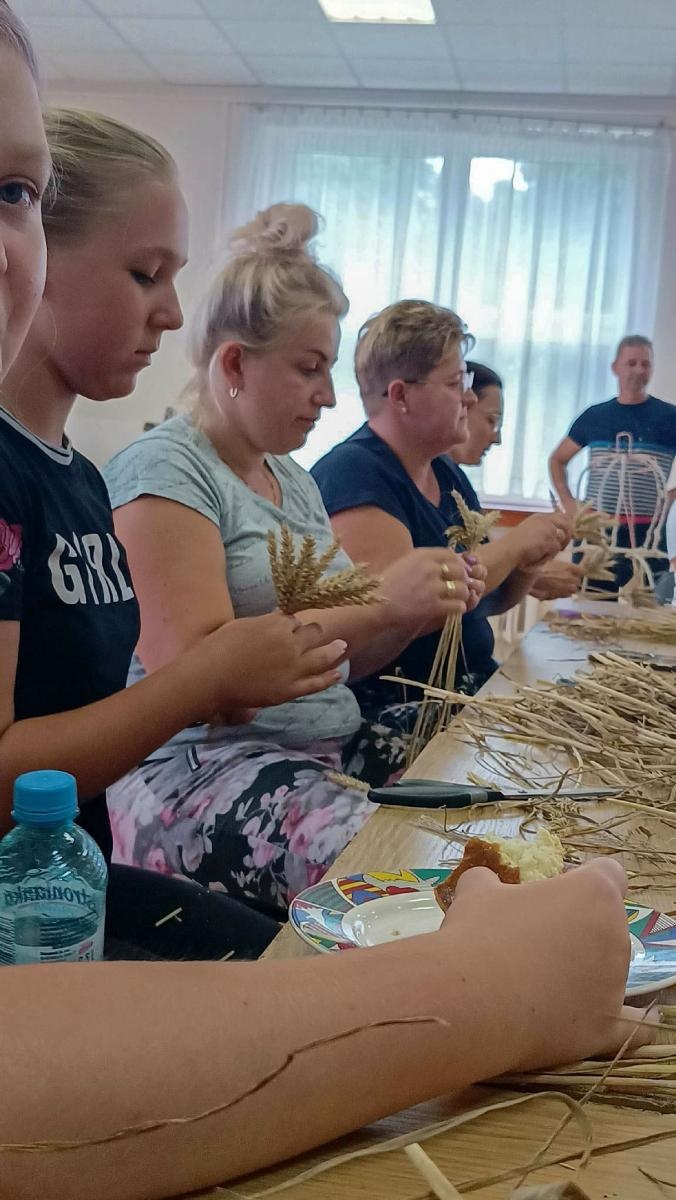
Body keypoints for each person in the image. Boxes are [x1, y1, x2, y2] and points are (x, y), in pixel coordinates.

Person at [0, 11, 655, 1195]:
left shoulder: (142, 479)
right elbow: (207, 667)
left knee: (413, 886)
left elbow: (322, 642)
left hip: (135, 831)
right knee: (390, 895)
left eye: (17, 198)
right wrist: (393, 601)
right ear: (239, 368)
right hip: (189, 787)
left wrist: (426, 593)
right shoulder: (152, 474)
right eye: (309, 366)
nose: (165, 310)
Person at [0, 109, 350, 872]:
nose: (173, 312)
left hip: (77, 875)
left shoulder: (83, 482)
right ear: (36, 258)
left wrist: (228, 684)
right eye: (143, 274)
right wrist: (202, 679)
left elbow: (113, 708)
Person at [104, 206, 483, 909]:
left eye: (330, 369)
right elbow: (203, 681)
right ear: (234, 364)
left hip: (316, 753)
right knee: (410, 877)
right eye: (310, 369)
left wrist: (408, 614)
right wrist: (378, 600)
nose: (330, 396)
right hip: (195, 773)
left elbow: (338, 665)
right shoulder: (167, 471)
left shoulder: (295, 480)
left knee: (485, 783)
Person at [311, 301, 572, 725]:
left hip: (464, 695)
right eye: (455, 382)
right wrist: (514, 545)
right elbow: (383, 636)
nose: (469, 396)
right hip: (400, 713)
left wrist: (528, 562)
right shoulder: (356, 476)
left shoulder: (444, 471)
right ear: (400, 396)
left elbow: (484, 602)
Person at [549, 335, 676, 592]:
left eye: (645, 364)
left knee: (644, 619)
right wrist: (570, 505)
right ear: (615, 367)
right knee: (591, 612)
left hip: (648, 537)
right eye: (631, 363)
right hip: (597, 537)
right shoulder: (594, 417)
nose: (639, 370)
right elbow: (557, 459)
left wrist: (670, 498)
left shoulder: (669, 417)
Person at [454, 360, 583, 603]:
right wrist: (516, 547)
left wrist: (528, 569)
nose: (498, 438)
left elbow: (486, 593)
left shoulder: (456, 483)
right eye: (492, 421)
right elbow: (444, 588)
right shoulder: (373, 468)